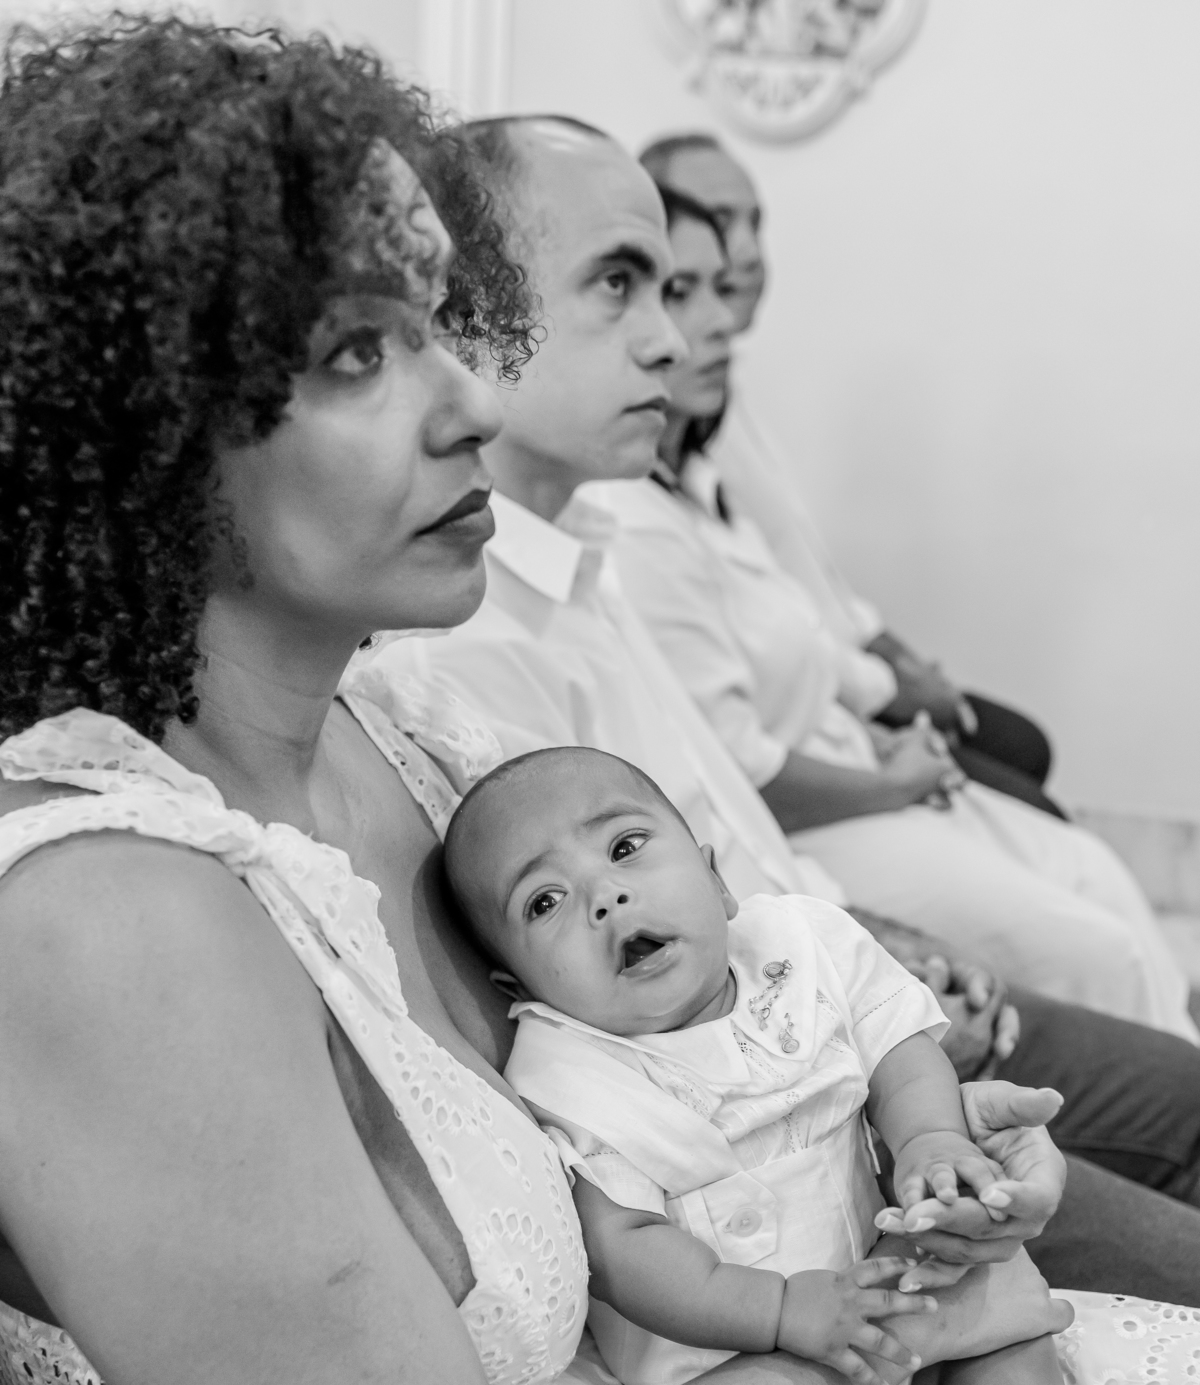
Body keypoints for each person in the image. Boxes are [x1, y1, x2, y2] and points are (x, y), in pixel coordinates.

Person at [1, 26, 1200, 1385]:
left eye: (438, 320)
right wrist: (897, 1297)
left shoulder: (411, 728)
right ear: (138, 421)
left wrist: (915, 1152)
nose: (471, 400)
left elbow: (692, 1076)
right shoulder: (110, 910)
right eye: (355, 350)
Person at [383, 112, 1200, 1301]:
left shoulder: (588, 547)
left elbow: (732, 842)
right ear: (466, 316)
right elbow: (619, 998)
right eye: (621, 286)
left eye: (678, 288)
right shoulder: (468, 640)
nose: (672, 341)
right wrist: (880, 1052)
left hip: (841, 972)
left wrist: (892, 949)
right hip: (810, 1104)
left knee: (1175, 1073)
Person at [444, 744, 1198, 1385]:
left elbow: (900, 1050)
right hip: (731, 1381)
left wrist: (928, 1142)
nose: (603, 898)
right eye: (544, 903)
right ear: (523, 991)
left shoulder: (802, 949)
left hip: (895, 1322)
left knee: (1016, 1365)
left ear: (719, 882)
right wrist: (782, 1312)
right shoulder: (577, 1074)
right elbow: (624, 1246)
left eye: (627, 848)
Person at [585, 182, 1197, 1038]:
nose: (709, 323)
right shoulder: (633, 529)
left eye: (711, 285)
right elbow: (742, 767)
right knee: (1093, 947)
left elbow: (812, 624)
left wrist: (886, 712)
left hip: (858, 761)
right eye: (670, 291)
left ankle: (1176, 1044)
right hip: (827, 823)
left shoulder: (699, 474)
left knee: (1090, 869)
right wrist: (891, 775)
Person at [640, 130, 1065, 819]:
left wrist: (892, 655)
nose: (745, 249)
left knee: (1024, 766)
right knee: (1027, 793)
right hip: (810, 706)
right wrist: (882, 695)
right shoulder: (656, 440)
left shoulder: (722, 401)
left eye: (755, 221)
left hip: (831, 678)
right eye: (721, 222)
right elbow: (757, 655)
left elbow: (806, 576)